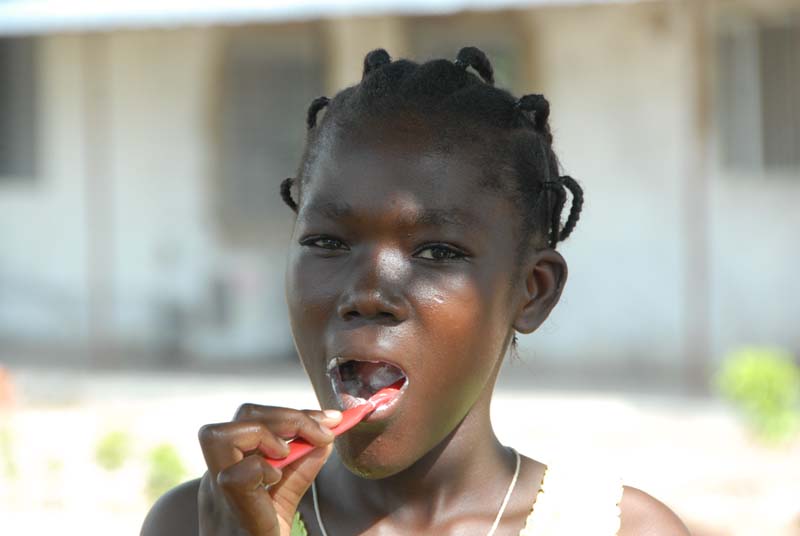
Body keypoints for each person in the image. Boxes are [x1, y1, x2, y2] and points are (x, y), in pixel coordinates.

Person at [142, 46, 689, 535]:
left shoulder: (624, 531)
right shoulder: (201, 523)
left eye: (439, 252)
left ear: (532, 291)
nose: (369, 293)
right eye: (327, 241)